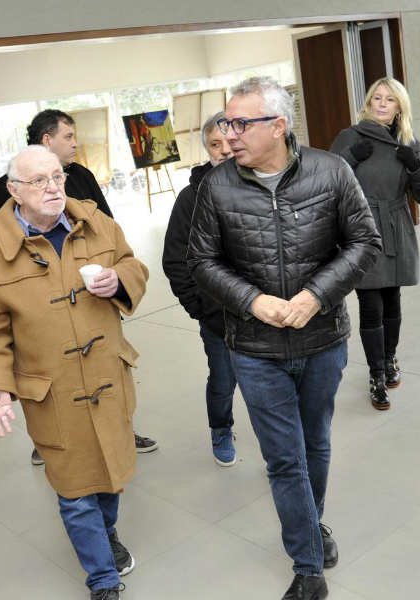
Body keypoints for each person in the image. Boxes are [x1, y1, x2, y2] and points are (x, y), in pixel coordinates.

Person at [187, 77, 382, 600]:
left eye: (241, 123)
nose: (229, 135)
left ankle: (311, 525)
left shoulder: (331, 171)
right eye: (226, 123)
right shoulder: (217, 186)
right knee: (283, 457)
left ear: (278, 126)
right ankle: (307, 564)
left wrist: (316, 295)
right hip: (255, 350)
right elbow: (200, 262)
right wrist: (253, 301)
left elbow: (365, 241)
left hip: (322, 341)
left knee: (315, 442)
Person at [0, 145, 149, 600]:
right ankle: (102, 578)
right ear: (13, 191)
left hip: (108, 375)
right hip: (53, 391)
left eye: (57, 177)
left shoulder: (95, 221)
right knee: (73, 485)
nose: (53, 188)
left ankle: (107, 534)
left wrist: (119, 280)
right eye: (39, 181)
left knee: (110, 474)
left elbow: (134, 264)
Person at [0, 109, 158, 464]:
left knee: (106, 372)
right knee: (52, 379)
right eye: (68, 136)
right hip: (40, 309)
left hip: (93, 301)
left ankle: (121, 431)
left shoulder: (82, 176)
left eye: (57, 179)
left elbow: (109, 228)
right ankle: (48, 442)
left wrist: (116, 279)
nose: (75, 143)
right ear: (46, 140)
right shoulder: (2, 187)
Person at [330, 78, 420, 410]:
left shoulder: (408, 141)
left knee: (392, 299)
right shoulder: (351, 136)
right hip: (362, 228)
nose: (380, 103)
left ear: (399, 107)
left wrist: (414, 165)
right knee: (370, 304)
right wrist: (349, 157)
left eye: (389, 99)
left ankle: (390, 359)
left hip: (396, 226)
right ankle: (377, 375)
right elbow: (325, 182)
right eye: (376, 97)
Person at [161, 111, 238, 466]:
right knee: (223, 380)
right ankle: (220, 427)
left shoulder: (266, 186)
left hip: (267, 316)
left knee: (271, 386)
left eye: (228, 141)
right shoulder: (190, 200)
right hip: (218, 317)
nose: (223, 150)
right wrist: (201, 306)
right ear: (206, 150)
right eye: (214, 144)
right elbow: (176, 260)